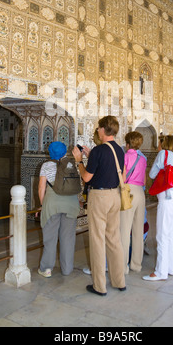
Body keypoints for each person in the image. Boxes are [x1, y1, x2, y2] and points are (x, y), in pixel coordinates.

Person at [72, 115, 126, 296]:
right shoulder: (119, 150)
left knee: (97, 240)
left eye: (98, 128)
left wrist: (80, 160)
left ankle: (99, 286)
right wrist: (90, 156)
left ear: (102, 130)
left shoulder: (98, 151)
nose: (97, 131)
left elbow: (86, 177)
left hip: (99, 197)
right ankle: (119, 281)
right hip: (115, 196)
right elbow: (119, 174)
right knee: (114, 239)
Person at [143, 135, 173, 281]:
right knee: (170, 233)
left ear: (163, 144)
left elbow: (152, 174)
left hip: (167, 198)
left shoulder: (163, 154)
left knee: (161, 235)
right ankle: (170, 267)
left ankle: (160, 272)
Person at [37, 142, 81, 278]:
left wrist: (42, 204)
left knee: (50, 238)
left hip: (52, 204)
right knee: (68, 238)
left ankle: (46, 269)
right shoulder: (71, 164)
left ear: (50, 152)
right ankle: (67, 269)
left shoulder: (46, 165)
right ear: (64, 152)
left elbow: (41, 188)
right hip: (72, 204)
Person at [121, 131, 147, 275]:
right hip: (140, 192)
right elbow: (143, 179)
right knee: (138, 229)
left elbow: (123, 177)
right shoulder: (142, 159)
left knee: (124, 230)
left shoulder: (125, 156)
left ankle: (123, 267)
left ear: (128, 143)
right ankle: (136, 265)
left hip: (128, 191)